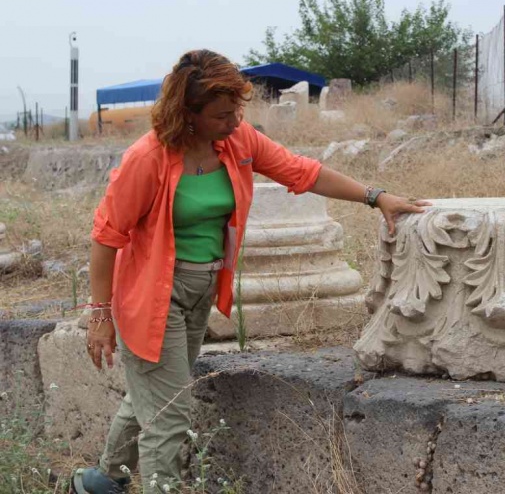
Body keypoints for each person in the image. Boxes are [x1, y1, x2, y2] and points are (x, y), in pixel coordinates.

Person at [70, 49, 427, 494]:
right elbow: (106, 236)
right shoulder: (148, 159)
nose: (236, 122)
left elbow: (303, 173)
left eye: (238, 110)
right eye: (223, 114)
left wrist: (376, 196)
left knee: (159, 392)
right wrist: (99, 316)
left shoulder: (237, 143)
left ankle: (102, 480)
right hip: (150, 294)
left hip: (202, 288)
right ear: (189, 114)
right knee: (171, 414)